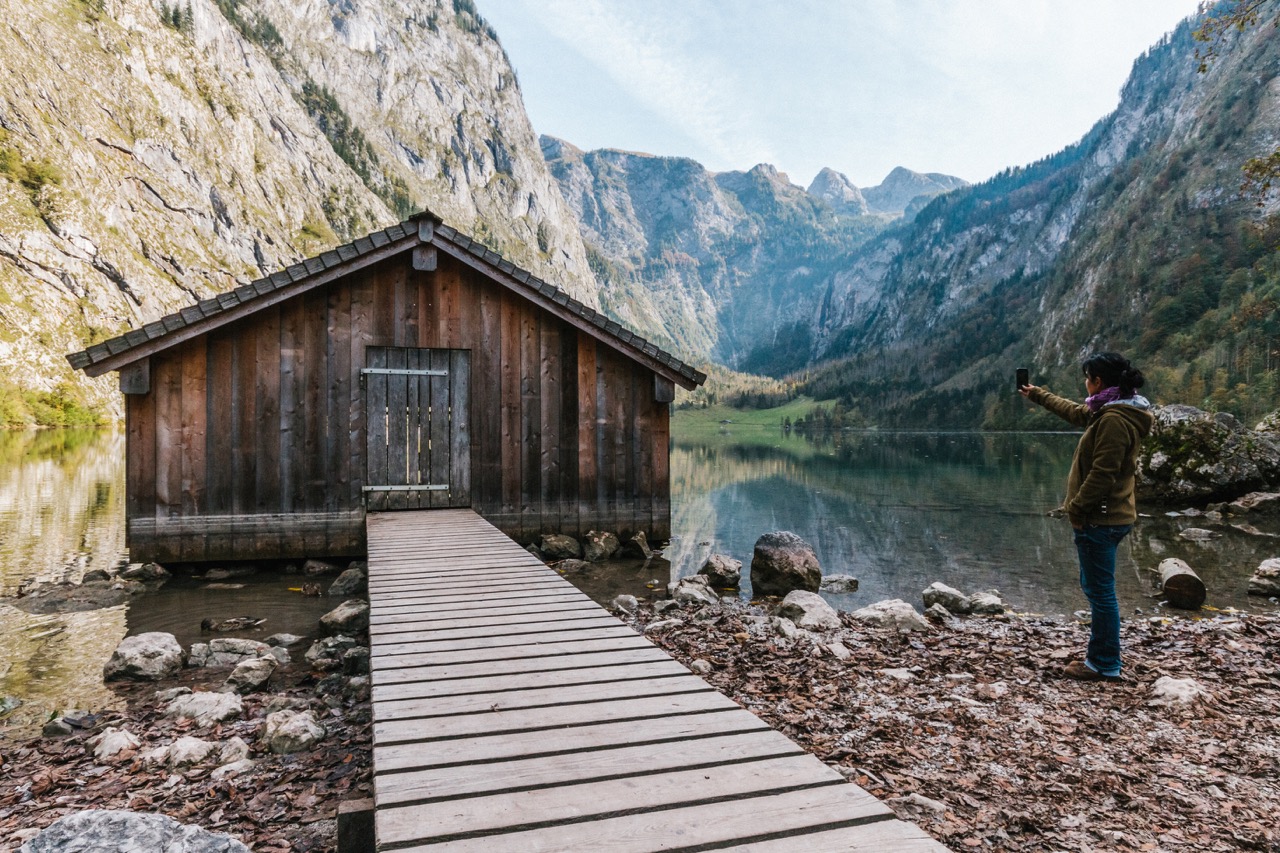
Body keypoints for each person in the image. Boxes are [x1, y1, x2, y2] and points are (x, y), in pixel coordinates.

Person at [1019, 352, 1153, 682]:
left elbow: (1103, 474)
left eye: (1087, 377)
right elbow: (1076, 412)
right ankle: (1104, 658)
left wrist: (1076, 509)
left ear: (1098, 382)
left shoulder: (1113, 420)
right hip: (1111, 515)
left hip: (1101, 518)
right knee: (1098, 588)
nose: (1085, 382)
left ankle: (1103, 664)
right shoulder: (1115, 410)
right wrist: (1038, 395)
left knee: (1101, 593)